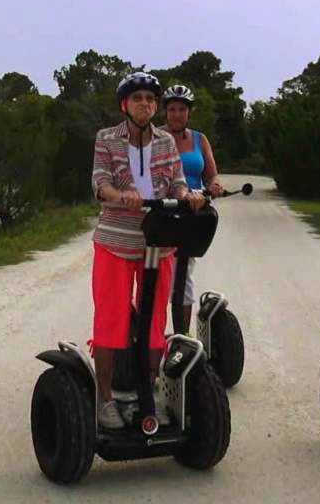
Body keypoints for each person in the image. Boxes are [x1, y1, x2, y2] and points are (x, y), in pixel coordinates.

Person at [90, 72, 205, 429]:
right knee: (110, 322)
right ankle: (105, 398)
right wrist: (117, 195)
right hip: (116, 241)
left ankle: (149, 389)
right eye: (138, 98)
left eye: (150, 100)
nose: (145, 105)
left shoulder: (165, 141)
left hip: (158, 242)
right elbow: (99, 182)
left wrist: (188, 196)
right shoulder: (106, 138)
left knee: (156, 321)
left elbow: (177, 182)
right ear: (125, 104)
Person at [159, 84, 226, 335]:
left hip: (193, 214)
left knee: (184, 275)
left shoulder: (199, 139)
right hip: (163, 213)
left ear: (189, 112)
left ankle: (181, 336)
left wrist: (214, 185)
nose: (177, 114)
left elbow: (211, 174)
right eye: (172, 109)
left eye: (182, 109)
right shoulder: (156, 138)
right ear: (165, 112)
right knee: (160, 276)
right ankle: (154, 337)